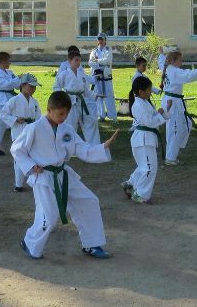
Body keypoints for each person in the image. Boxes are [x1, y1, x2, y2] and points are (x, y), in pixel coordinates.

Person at [13, 91, 120, 260]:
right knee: (49, 216)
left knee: (89, 201)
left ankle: (91, 244)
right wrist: (31, 166)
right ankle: (30, 242)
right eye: (60, 114)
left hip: (63, 174)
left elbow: (82, 149)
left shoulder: (67, 130)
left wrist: (103, 147)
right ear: (49, 110)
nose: (63, 117)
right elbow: (17, 149)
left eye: (66, 114)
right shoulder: (34, 128)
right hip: (43, 177)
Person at [159, 51, 197, 165]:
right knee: (175, 130)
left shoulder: (167, 67)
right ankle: (170, 157)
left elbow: (161, 61)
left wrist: (161, 54)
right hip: (172, 103)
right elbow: (191, 75)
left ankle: (173, 151)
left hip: (173, 101)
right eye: (180, 60)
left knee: (185, 124)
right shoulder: (174, 71)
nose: (182, 62)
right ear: (173, 61)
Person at [122, 75, 166, 204]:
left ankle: (130, 184)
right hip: (143, 140)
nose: (150, 92)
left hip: (145, 139)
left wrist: (159, 112)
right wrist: (160, 115)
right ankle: (140, 194)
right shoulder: (138, 105)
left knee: (144, 166)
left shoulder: (144, 102)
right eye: (149, 90)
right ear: (141, 92)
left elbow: (150, 118)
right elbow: (149, 122)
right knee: (150, 168)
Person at [0, 72, 42, 192]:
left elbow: (39, 116)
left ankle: (34, 181)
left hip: (31, 131)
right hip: (18, 132)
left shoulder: (34, 102)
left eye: (34, 87)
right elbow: (3, 113)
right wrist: (15, 119)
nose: (33, 89)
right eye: (31, 86)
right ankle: (18, 184)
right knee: (19, 158)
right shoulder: (14, 100)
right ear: (22, 85)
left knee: (33, 156)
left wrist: (39, 127)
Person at [54, 51, 99, 146]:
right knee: (70, 125)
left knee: (90, 121)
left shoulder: (82, 74)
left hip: (81, 102)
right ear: (70, 61)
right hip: (69, 103)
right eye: (76, 60)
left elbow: (86, 91)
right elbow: (56, 87)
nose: (79, 63)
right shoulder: (64, 74)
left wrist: (95, 96)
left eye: (80, 60)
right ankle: (67, 146)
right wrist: (63, 98)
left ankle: (93, 146)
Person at [0, 52, 21, 155]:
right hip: (2, 100)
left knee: (17, 120)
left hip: (11, 99)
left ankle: (20, 146)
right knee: (1, 124)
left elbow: (16, 85)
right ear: (1, 61)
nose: (9, 63)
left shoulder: (10, 72)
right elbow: (4, 85)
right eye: (8, 61)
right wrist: (17, 79)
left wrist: (22, 79)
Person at [88, 34, 117, 121]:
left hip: (106, 76)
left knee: (109, 96)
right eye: (99, 39)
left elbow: (108, 60)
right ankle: (101, 115)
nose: (100, 41)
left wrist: (97, 61)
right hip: (97, 76)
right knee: (98, 96)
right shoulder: (94, 51)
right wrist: (100, 64)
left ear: (105, 41)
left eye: (102, 39)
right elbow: (90, 62)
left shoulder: (108, 50)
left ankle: (113, 116)